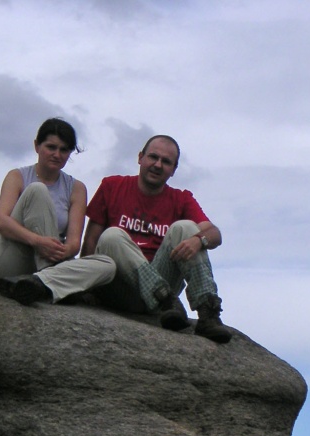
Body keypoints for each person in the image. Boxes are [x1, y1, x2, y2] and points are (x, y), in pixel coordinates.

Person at [80, 134, 232, 343]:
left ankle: (208, 313)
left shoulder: (181, 199)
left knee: (187, 228)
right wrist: (86, 288)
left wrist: (199, 240)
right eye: (153, 157)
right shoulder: (112, 186)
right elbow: (90, 242)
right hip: (120, 288)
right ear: (140, 157)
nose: (158, 165)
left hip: (165, 300)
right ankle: (163, 296)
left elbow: (214, 234)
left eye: (166, 162)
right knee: (111, 236)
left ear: (173, 170)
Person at [0, 118, 115, 305]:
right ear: (37, 146)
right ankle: (56, 282)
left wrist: (59, 251)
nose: (57, 154)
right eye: (51, 147)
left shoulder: (76, 188)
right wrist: (38, 242)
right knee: (37, 190)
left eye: (64, 150)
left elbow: (74, 244)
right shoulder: (17, 176)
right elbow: (0, 221)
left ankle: (44, 282)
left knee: (108, 266)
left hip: (54, 258)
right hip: (16, 257)